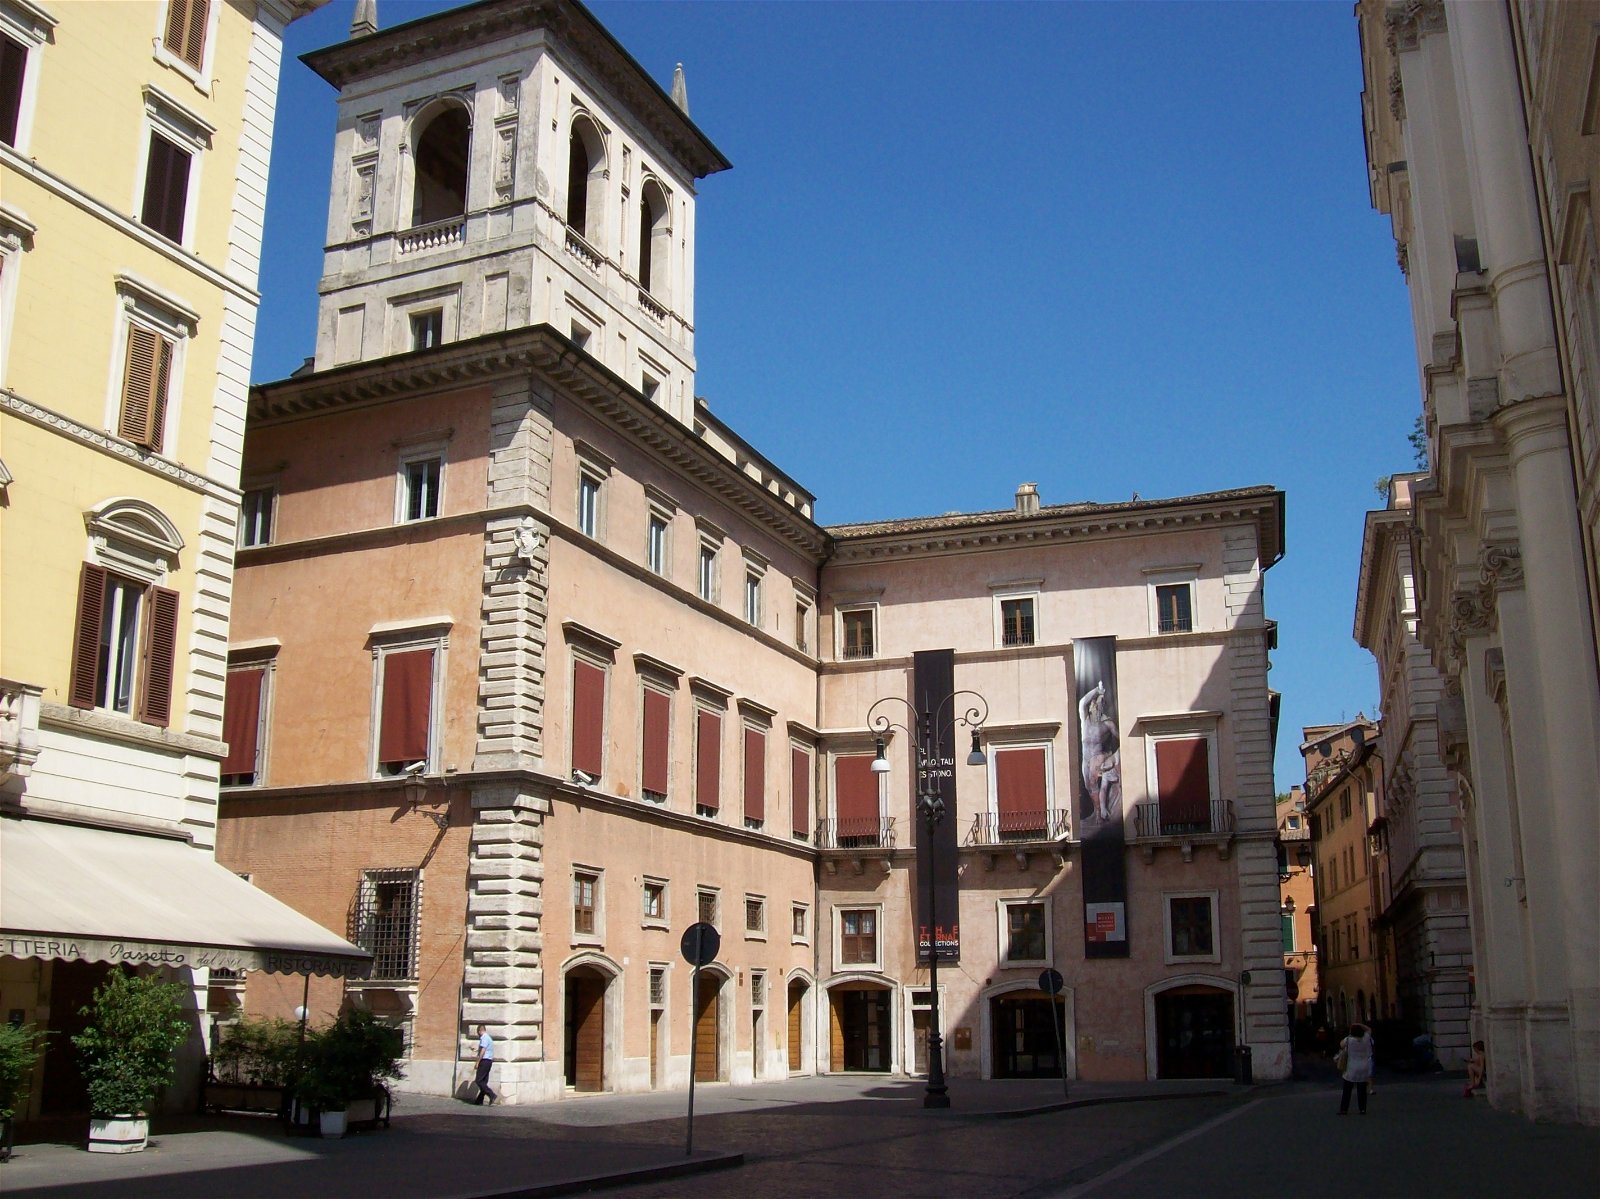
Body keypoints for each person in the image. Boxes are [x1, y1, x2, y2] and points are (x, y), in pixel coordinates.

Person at [1338, 1022, 1375, 1115]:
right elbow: (1369, 1029)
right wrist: (1359, 1024)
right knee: (1362, 1089)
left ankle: (1344, 1109)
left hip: (1352, 1067)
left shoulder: (1349, 1040)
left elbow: (1341, 1045)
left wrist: (1351, 1031)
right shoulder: (1366, 1038)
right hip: (1364, 1066)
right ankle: (1362, 1109)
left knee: (1347, 1089)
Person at [472, 1023, 497, 1105]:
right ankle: (479, 1100)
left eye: (478, 1033)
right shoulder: (489, 1038)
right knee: (484, 1081)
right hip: (489, 1061)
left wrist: (477, 1062)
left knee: (478, 1080)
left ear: (479, 1031)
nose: (478, 1035)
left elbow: (483, 1051)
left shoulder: (484, 1038)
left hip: (485, 1060)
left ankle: (491, 1095)